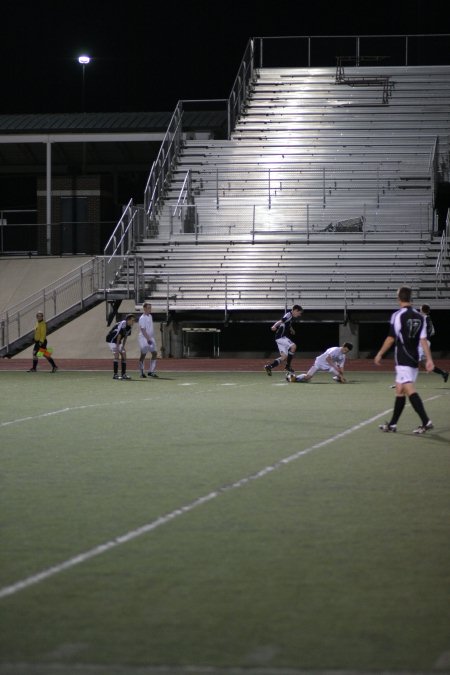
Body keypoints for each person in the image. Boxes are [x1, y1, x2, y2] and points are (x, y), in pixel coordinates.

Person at [374, 286, 434, 434]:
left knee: (408, 389)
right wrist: (429, 359)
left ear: (399, 298)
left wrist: (380, 353)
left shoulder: (398, 315)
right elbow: (423, 340)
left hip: (403, 358)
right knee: (400, 390)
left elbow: (390, 338)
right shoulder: (420, 316)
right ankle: (393, 424)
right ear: (410, 297)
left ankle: (426, 421)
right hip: (413, 358)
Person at [264, 304, 303, 375]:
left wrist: (292, 330)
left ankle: (269, 367)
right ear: (295, 310)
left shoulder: (290, 317)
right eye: (299, 313)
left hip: (278, 338)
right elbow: (280, 321)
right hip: (281, 337)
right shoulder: (288, 315)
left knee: (284, 357)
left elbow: (288, 324)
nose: (299, 315)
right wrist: (274, 326)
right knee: (293, 346)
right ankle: (288, 366)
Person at [287, 343, 353, 383]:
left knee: (337, 372)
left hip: (329, 365)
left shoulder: (343, 356)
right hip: (319, 362)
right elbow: (328, 359)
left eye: (347, 351)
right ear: (343, 346)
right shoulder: (335, 350)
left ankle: (337, 378)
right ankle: (292, 377)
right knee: (308, 377)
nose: (345, 352)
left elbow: (341, 367)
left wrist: (341, 375)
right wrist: (336, 368)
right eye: (345, 350)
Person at [418, 304, 448, 383]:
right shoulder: (426, 318)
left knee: (416, 360)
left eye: (420, 309)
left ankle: (403, 380)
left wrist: (424, 336)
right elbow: (433, 331)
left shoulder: (425, 318)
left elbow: (431, 331)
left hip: (423, 342)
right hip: (423, 342)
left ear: (423, 310)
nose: (419, 310)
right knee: (420, 362)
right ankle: (443, 373)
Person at [106, 314, 135, 380]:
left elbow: (125, 337)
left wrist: (123, 347)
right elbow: (119, 335)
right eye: (132, 320)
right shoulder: (123, 324)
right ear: (128, 320)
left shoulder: (129, 327)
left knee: (124, 355)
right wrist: (117, 348)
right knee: (116, 355)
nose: (133, 322)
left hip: (118, 341)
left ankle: (123, 374)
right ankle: (115, 375)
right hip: (111, 340)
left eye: (134, 320)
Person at [137, 302, 158, 378]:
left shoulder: (150, 316)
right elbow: (143, 330)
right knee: (143, 354)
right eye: (148, 308)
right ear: (144, 308)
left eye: (150, 307)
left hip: (151, 337)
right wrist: (148, 339)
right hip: (143, 338)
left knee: (154, 353)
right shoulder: (142, 318)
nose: (150, 309)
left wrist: (151, 338)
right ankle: (141, 372)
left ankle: (151, 371)